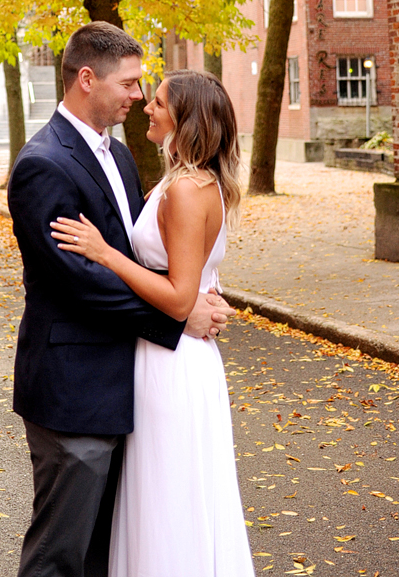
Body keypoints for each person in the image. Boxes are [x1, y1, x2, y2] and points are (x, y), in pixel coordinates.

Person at [8, 23, 230, 577]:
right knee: (60, 555)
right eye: (130, 83)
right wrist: (179, 318)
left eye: (144, 88)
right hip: (74, 388)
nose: (138, 95)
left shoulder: (126, 157)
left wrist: (198, 292)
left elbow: (150, 260)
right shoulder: (43, 164)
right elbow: (78, 283)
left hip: (131, 386)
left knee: (110, 552)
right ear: (88, 79)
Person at [51, 69, 255, 577]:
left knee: (169, 501)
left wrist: (104, 253)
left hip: (173, 363)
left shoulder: (187, 189)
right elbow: (196, 276)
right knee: (168, 496)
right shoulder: (189, 181)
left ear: (184, 118)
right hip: (169, 356)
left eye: (159, 102)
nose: (146, 106)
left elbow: (179, 296)